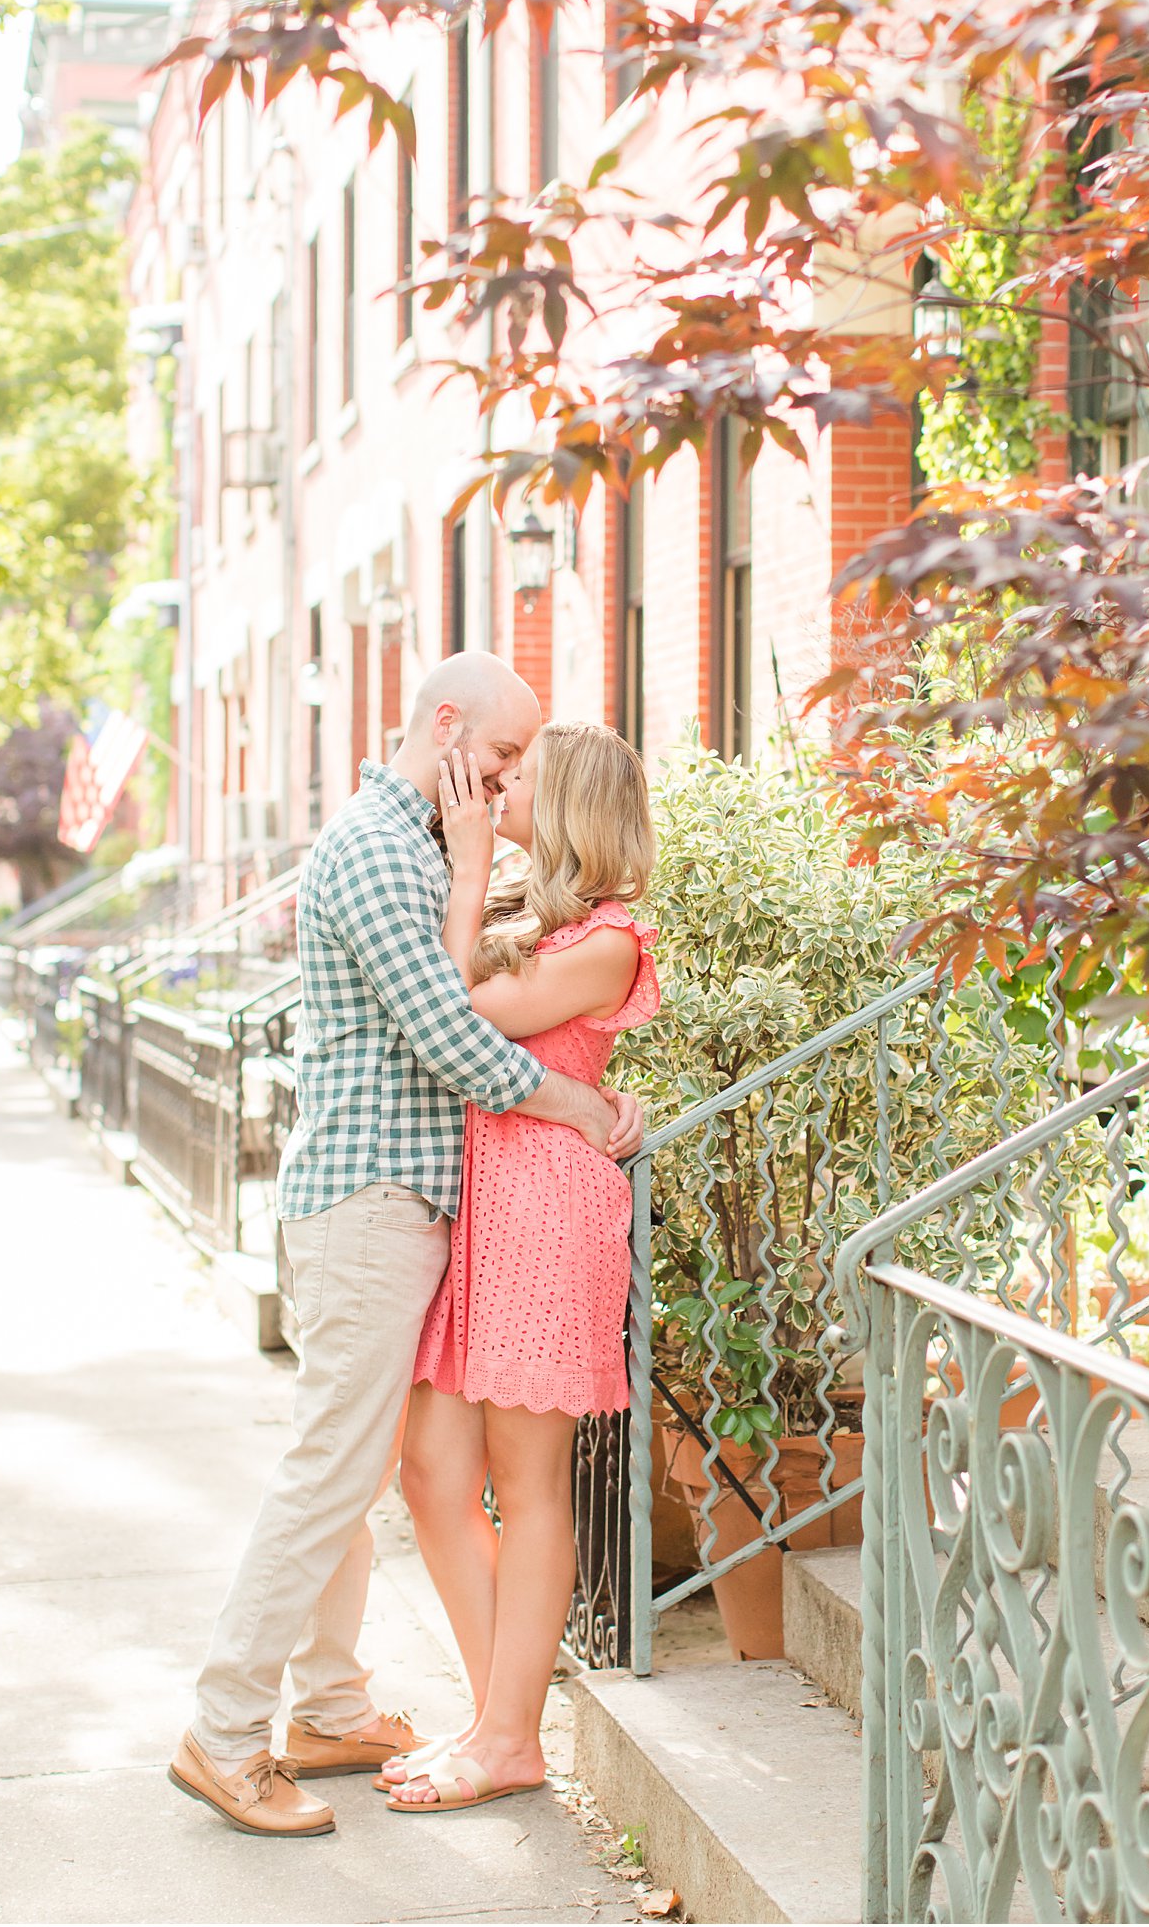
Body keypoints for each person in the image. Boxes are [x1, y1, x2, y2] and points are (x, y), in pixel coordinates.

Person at [169, 656, 644, 1837]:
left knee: (362, 1465)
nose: (497, 782)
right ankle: (225, 1733)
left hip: (442, 1207)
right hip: (374, 1202)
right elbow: (447, 1024)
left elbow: (478, 990)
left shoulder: (425, 845)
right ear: (447, 728)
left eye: (519, 772)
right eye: (497, 757)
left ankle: (329, 1705)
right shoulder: (387, 851)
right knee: (339, 1467)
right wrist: (579, 1104)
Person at [381, 719, 658, 1816]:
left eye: (517, 781)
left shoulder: (610, 941)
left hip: (546, 1207)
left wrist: (460, 872)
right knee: (433, 1473)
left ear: (568, 808)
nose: (493, 793)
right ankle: (501, 1717)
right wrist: (472, 880)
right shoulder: (531, 920)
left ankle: (506, 1737)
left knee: (526, 1480)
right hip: (483, 1207)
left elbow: (450, 1018)